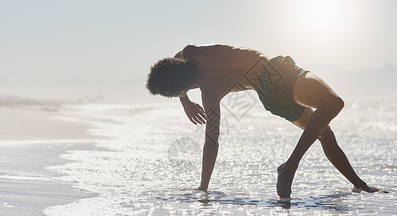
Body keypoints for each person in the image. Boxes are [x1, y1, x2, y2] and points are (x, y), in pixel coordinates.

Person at [146, 44, 383, 198]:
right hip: (275, 74)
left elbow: (212, 141)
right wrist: (184, 99)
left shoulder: (209, 93)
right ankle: (290, 166)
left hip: (269, 97)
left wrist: (203, 187)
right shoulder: (191, 52)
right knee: (333, 103)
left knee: (324, 132)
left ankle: (360, 184)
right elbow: (175, 62)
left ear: (181, 87)